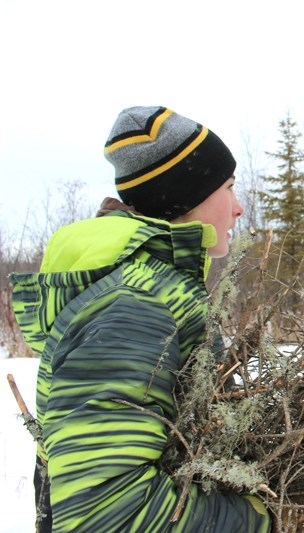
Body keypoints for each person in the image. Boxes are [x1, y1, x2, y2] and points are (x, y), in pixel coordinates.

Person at [10, 106, 271, 531]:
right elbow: (107, 512)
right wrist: (258, 520)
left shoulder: (158, 288)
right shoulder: (135, 305)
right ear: (187, 196)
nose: (239, 208)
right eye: (229, 187)